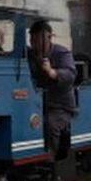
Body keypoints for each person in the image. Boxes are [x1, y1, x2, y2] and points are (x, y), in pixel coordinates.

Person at [27, 19, 77, 160]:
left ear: (49, 37)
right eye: (32, 39)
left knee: (50, 125)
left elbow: (70, 75)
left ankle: (51, 161)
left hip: (59, 106)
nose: (34, 43)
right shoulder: (29, 54)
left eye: (37, 39)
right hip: (34, 104)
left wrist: (51, 72)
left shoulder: (62, 53)